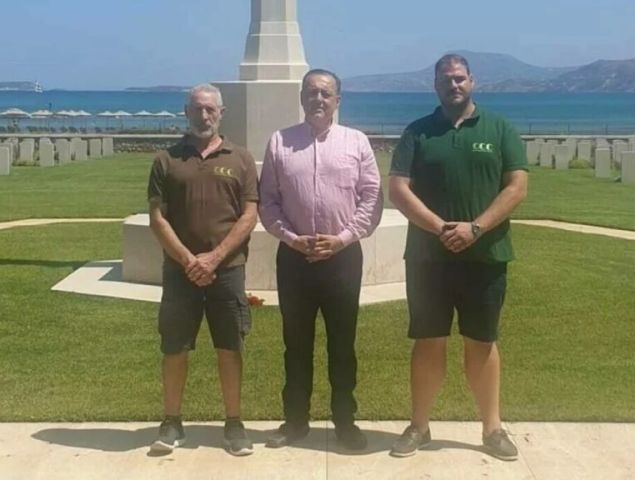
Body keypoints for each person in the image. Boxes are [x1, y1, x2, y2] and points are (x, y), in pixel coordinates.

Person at [388, 54, 528, 460]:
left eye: (460, 78)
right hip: (428, 260)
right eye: (446, 79)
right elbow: (398, 189)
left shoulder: (499, 128)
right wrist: (441, 228)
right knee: (428, 342)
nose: (454, 85)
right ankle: (419, 426)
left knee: (482, 342)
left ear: (473, 82)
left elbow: (516, 187)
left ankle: (493, 429)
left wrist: (476, 228)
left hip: (486, 256)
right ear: (435, 84)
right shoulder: (418, 132)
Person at [259, 68, 383, 451]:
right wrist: (293, 239)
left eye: (326, 94)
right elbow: (268, 201)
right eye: (311, 92)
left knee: (342, 344)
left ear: (338, 101)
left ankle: (345, 422)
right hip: (295, 259)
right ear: (301, 97)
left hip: (343, 258)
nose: (318, 99)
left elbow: (371, 198)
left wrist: (343, 238)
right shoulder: (280, 142)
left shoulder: (356, 142)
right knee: (295, 344)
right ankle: (295, 422)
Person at [147, 84, 258, 456]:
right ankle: (171, 421)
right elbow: (158, 218)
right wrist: (189, 260)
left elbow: (249, 215)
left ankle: (234, 423)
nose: (204, 116)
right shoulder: (166, 159)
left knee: (230, 346)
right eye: (197, 109)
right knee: (174, 348)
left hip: (228, 271)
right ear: (186, 111)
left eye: (210, 109)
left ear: (221, 113)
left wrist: (214, 258)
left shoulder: (241, 158)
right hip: (180, 273)